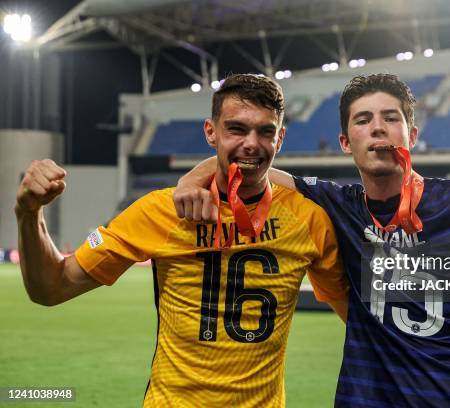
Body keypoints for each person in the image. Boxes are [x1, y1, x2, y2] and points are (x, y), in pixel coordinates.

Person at [174, 74, 450, 407]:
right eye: (363, 121)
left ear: (411, 135)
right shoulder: (336, 206)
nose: (378, 129)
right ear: (346, 142)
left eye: (390, 118)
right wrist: (193, 178)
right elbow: (250, 166)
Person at [15, 74, 352, 407]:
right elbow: (52, 287)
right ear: (211, 132)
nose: (251, 142)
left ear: (280, 138)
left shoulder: (309, 220)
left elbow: (359, 322)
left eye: (265, 131)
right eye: (236, 128)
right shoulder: (160, 210)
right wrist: (28, 213)